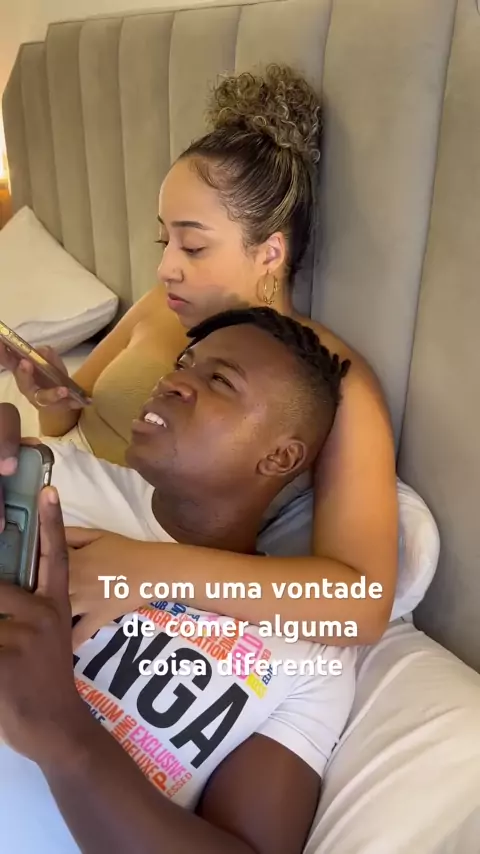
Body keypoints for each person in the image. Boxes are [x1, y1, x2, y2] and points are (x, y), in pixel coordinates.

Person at [0, 65, 398, 647]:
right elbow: (70, 427)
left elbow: (358, 607)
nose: (165, 267)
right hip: (46, 492)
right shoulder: (164, 306)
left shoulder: (326, 378)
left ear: (270, 252)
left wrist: (147, 569)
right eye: (165, 241)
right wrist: (53, 397)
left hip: (107, 552)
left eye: (193, 245)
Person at [0, 308, 355, 854]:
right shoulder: (53, 480)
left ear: (280, 456)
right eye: (183, 363)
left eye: (220, 380)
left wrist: (66, 737)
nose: (172, 380)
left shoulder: (311, 653)